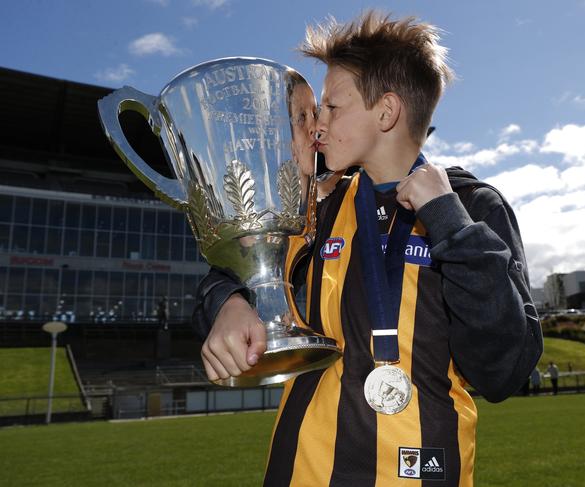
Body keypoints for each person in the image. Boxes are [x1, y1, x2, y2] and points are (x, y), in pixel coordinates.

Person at [193, 11, 543, 486]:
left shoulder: (470, 207)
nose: (317, 123)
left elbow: (503, 370)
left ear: (386, 112)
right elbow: (229, 274)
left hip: (423, 471)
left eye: (333, 107)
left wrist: (448, 224)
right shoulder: (316, 206)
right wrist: (228, 304)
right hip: (301, 471)